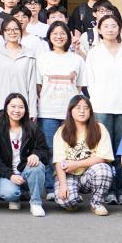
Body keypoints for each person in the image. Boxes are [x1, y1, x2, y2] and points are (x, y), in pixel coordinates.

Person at [82, 13, 122, 204]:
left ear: (120, 28)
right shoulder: (95, 53)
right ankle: (108, 190)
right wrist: (96, 100)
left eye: (114, 26)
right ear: (99, 30)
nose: (110, 29)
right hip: (101, 106)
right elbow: (89, 81)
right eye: (106, 26)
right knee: (104, 150)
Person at [36, 21, 85, 196]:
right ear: (49, 37)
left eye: (62, 33)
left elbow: (79, 87)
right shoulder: (42, 58)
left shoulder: (77, 59)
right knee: (50, 149)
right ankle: (51, 187)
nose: (59, 36)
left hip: (70, 113)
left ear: (68, 36)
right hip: (48, 111)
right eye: (55, 33)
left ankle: (70, 186)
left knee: (71, 149)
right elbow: (38, 86)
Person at [53, 95, 114, 215]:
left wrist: (76, 164)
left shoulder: (99, 128)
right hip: (69, 174)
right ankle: (74, 197)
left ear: (90, 111)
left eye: (86, 108)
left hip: (90, 173)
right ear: (70, 110)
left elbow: (103, 157)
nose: (82, 111)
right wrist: (63, 185)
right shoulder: (62, 131)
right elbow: (59, 161)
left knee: (104, 170)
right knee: (67, 201)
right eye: (78, 108)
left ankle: (96, 203)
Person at [0, 93, 49, 217]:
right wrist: (10, 175)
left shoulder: (32, 127)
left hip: (25, 172)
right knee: (9, 193)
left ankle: (36, 203)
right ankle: (16, 196)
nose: (17, 110)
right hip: (7, 174)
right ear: (6, 107)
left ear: (25, 109)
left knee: (37, 166)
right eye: (13, 106)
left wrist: (36, 155)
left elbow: (44, 151)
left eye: (21, 107)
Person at [0, 18, 38, 119]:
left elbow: (32, 85)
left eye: (16, 29)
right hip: (1, 106)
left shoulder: (29, 54)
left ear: (20, 31)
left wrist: (32, 111)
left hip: (21, 108)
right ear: (3, 32)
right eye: (8, 30)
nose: (12, 32)